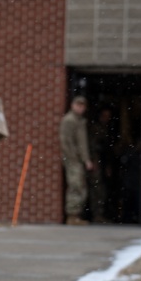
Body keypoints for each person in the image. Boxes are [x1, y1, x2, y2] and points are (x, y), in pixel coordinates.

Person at [59, 95, 94, 225]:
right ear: (72, 105)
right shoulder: (69, 120)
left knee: (81, 186)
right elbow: (66, 141)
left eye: (82, 106)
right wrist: (73, 157)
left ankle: (76, 215)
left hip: (79, 160)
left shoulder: (80, 121)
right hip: (73, 160)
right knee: (75, 185)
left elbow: (82, 144)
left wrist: (86, 160)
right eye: (78, 105)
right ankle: (72, 216)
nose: (80, 108)